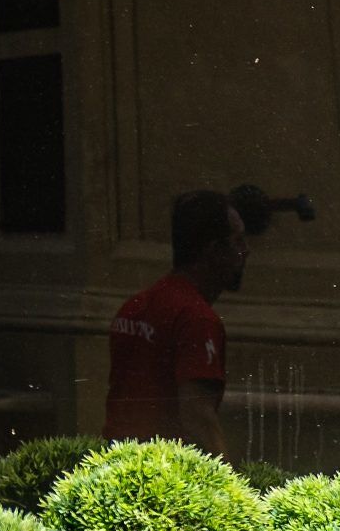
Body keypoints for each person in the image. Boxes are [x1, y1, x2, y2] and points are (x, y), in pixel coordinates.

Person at [105, 190, 246, 451]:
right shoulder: (197, 319)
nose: (245, 251)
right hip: (166, 476)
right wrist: (232, 487)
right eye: (238, 241)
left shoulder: (133, 308)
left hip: (118, 465)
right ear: (214, 250)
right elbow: (197, 416)